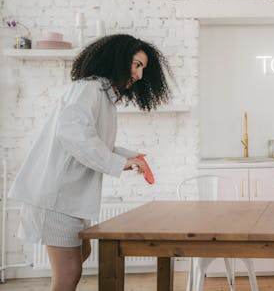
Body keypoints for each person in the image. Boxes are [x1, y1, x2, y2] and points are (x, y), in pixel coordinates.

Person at [8, 34, 172, 291]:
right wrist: (120, 163)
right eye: (137, 64)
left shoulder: (103, 95)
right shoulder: (89, 88)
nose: (139, 75)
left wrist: (130, 157)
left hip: (68, 200)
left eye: (143, 68)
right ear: (117, 60)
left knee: (80, 256)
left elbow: (94, 141)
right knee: (69, 272)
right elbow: (74, 136)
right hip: (56, 198)